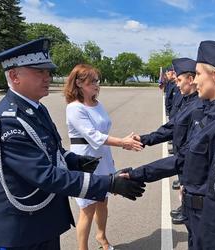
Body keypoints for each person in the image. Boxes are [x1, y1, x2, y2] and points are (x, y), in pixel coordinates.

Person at [0, 38, 145, 250]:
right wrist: (108, 183)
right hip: (21, 230)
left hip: (42, 222)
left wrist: (76, 161)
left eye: (48, 71)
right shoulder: (9, 120)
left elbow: (53, 150)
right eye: (40, 72)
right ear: (14, 76)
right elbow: (43, 174)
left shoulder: (36, 109)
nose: (48, 77)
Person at [121, 40, 215, 249]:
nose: (195, 81)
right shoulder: (210, 114)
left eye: (199, 74)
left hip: (212, 227)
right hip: (197, 217)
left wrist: (207, 242)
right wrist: (137, 174)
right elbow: (183, 159)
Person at [64, 64, 143, 250]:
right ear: (79, 83)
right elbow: (93, 136)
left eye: (97, 81)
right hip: (85, 160)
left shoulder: (97, 104)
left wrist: (118, 148)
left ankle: (102, 237)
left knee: (103, 201)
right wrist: (123, 142)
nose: (96, 85)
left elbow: (104, 130)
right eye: (92, 81)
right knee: (87, 209)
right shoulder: (75, 108)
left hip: (103, 157)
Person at [133, 57, 204, 225]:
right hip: (182, 159)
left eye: (179, 80)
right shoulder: (189, 102)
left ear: (191, 79)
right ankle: (186, 211)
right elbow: (171, 128)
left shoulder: (199, 106)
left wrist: (141, 173)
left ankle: (187, 212)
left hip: (189, 163)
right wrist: (144, 139)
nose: (177, 84)